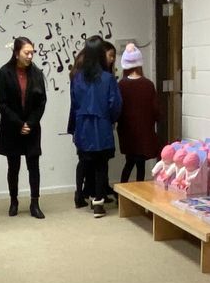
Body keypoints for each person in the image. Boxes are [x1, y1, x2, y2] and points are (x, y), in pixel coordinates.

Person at [68, 34, 120, 217]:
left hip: (83, 126)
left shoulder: (77, 78)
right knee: (101, 164)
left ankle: (86, 195)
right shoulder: (107, 78)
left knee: (85, 161)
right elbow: (115, 104)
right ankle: (98, 202)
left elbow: (74, 104)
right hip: (102, 125)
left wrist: (74, 127)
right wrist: (112, 119)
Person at [0, 36, 46, 218]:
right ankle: (14, 201)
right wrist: (19, 124)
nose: (30, 56)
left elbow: (42, 102)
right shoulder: (3, 73)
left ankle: (35, 203)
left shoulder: (37, 73)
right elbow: (2, 103)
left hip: (32, 128)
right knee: (13, 166)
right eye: (27, 52)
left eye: (32, 52)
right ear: (17, 53)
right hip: (11, 128)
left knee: (34, 166)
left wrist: (30, 124)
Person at [117, 43, 160, 184]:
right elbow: (155, 110)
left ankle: (122, 193)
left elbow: (118, 109)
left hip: (127, 132)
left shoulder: (121, 85)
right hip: (144, 132)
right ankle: (139, 194)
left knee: (129, 162)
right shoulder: (148, 84)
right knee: (141, 164)